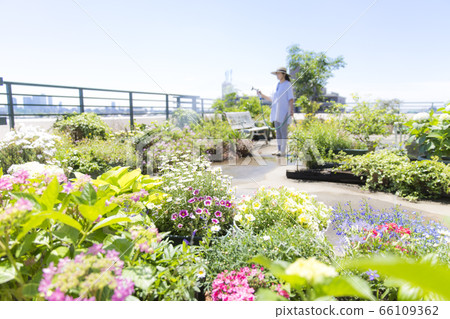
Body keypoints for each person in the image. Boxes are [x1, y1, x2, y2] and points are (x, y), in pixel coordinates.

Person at [257, 67, 294, 156]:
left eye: (278, 73)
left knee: (283, 132)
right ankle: (278, 150)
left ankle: (283, 150)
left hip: (284, 111)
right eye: (276, 74)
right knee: (278, 132)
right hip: (276, 112)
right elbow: (272, 99)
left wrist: (292, 110)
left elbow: (291, 98)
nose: (277, 75)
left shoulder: (287, 84)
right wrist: (261, 95)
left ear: (283, 74)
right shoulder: (276, 85)